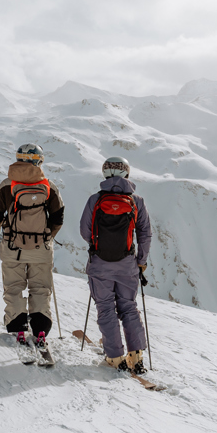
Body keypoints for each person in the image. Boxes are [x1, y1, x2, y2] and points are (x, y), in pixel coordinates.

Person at [79, 156, 153, 373]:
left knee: (105, 308)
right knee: (129, 307)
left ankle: (114, 357)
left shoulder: (95, 199)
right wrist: (141, 261)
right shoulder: (136, 201)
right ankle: (136, 356)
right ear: (127, 173)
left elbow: (85, 231)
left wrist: (98, 247)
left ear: (105, 173)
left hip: (100, 263)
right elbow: (145, 234)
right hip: (127, 264)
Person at [0, 143, 65, 343]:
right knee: (40, 287)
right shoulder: (48, 186)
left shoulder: (7, 185)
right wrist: (47, 236)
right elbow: (58, 218)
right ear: (39, 161)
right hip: (41, 248)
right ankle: (40, 329)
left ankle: (17, 326)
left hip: (13, 247)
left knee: (13, 287)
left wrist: (7, 224)